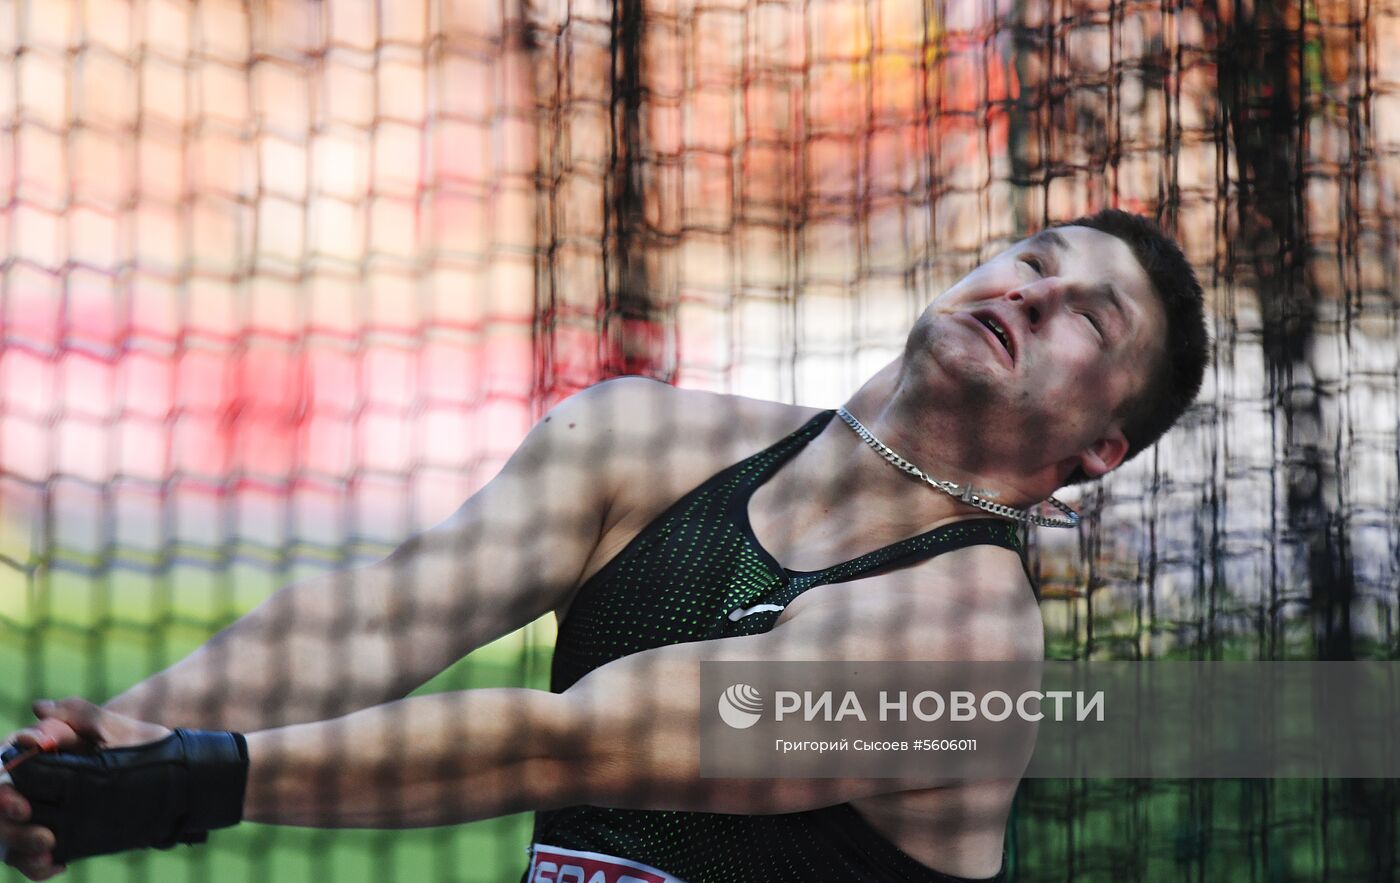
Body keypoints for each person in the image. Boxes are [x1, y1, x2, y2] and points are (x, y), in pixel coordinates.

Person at [0, 209, 1208, 882]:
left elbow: (563, 741)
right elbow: (376, 621)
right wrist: (105, 745)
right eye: (1031, 259)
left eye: (1084, 318)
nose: (1031, 294)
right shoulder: (638, 441)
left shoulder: (961, 640)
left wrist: (185, 782)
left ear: (1099, 447)